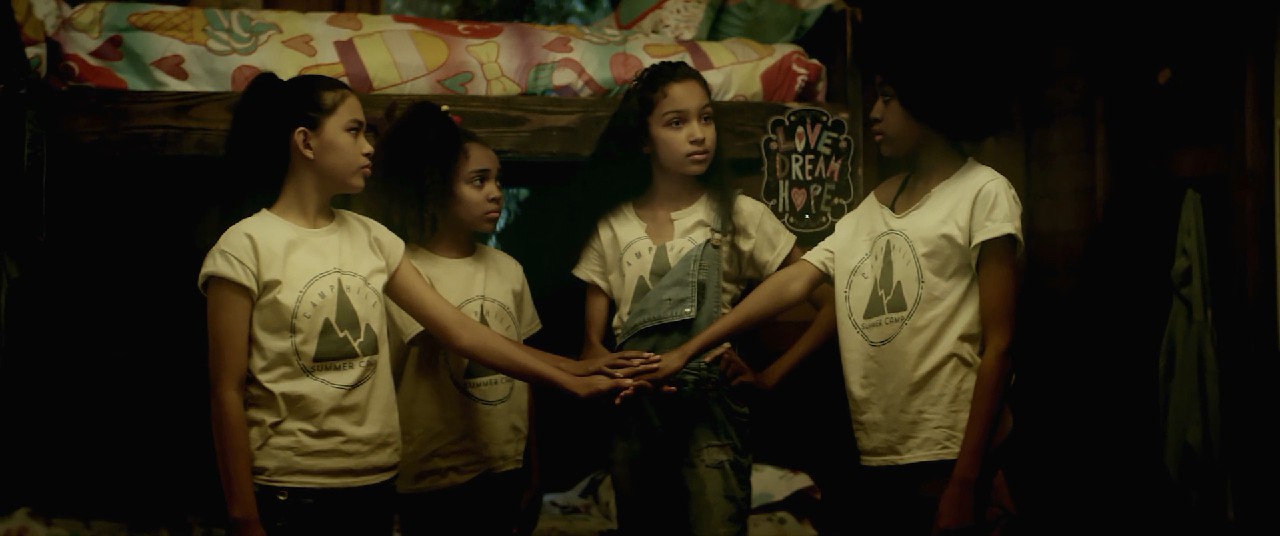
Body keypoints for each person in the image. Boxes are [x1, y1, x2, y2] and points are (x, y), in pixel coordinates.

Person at [198, 73, 645, 536]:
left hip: (374, 482)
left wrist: (574, 372)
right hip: (288, 489)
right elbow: (226, 391)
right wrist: (244, 515)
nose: (368, 147)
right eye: (353, 131)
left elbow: (460, 330)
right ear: (306, 142)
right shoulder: (246, 246)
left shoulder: (372, 239)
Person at [647, 30, 1024, 535]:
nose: (874, 113)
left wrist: (966, 482)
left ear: (927, 101)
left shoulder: (983, 193)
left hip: (952, 454)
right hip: (882, 454)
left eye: (887, 98)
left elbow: (1000, 347)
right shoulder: (874, 205)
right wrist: (697, 353)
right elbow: (795, 283)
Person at [361, 100, 659, 535]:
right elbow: (468, 339)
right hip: (433, 472)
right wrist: (573, 374)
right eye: (478, 181)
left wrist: (532, 464)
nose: (495, 192)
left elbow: (521, 368)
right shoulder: (407, 270)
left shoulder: (507, 269)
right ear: (437, 188)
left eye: (498, 179)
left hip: (503, 463)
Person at [567, 60, 835, 536]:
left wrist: (770, 376)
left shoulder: (740, 215)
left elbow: (832, 303)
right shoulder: (612, 226)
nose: (698, 135)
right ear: (645, 138)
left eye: (706, 118)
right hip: (635, 417)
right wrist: (610, 370)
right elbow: (591, 345)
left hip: (710, 415)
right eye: (677, 122)